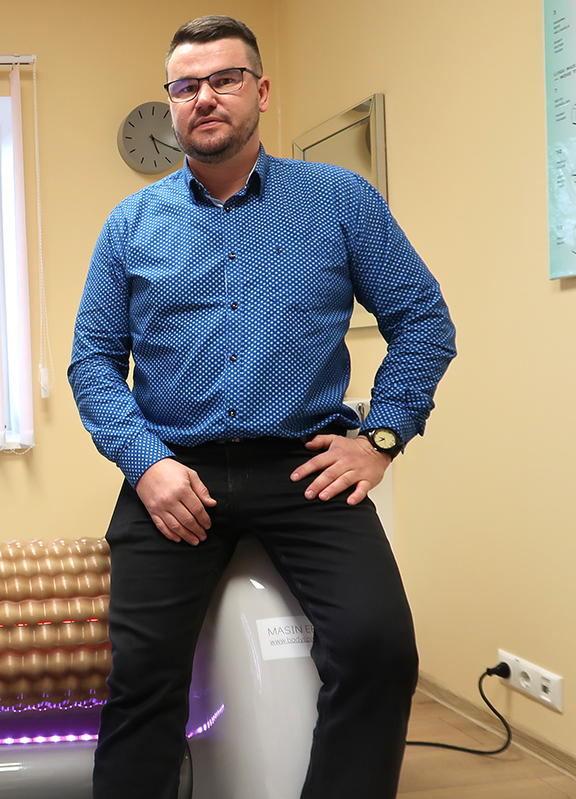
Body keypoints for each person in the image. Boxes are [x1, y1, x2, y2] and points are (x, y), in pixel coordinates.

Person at [68, 15, 456, 799]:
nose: (204, 97)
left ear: (262, 90)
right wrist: (146, 465)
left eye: (224, 79)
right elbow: (94, 363)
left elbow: (423, 319)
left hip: (305, 467)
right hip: (175, 472)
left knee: (380, 649)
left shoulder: (339, 199)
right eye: (185, 85)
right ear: (171, 102)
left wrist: (381, 437)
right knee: (141, 677)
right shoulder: (130, 225)